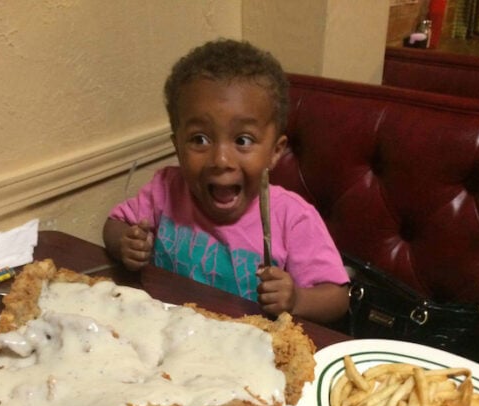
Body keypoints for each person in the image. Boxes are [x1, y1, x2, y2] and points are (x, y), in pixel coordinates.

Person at [103, 39, 349, 325]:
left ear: (275, 152)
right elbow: (114, 224)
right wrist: (125, 243)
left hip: (249, 352)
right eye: (199, 139)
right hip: (165, 334)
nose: (220, 159)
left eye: (243, 140)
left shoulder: (293, 218)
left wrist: (297, 299)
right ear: (177, 147)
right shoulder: (165, 190)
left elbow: (337, 298)